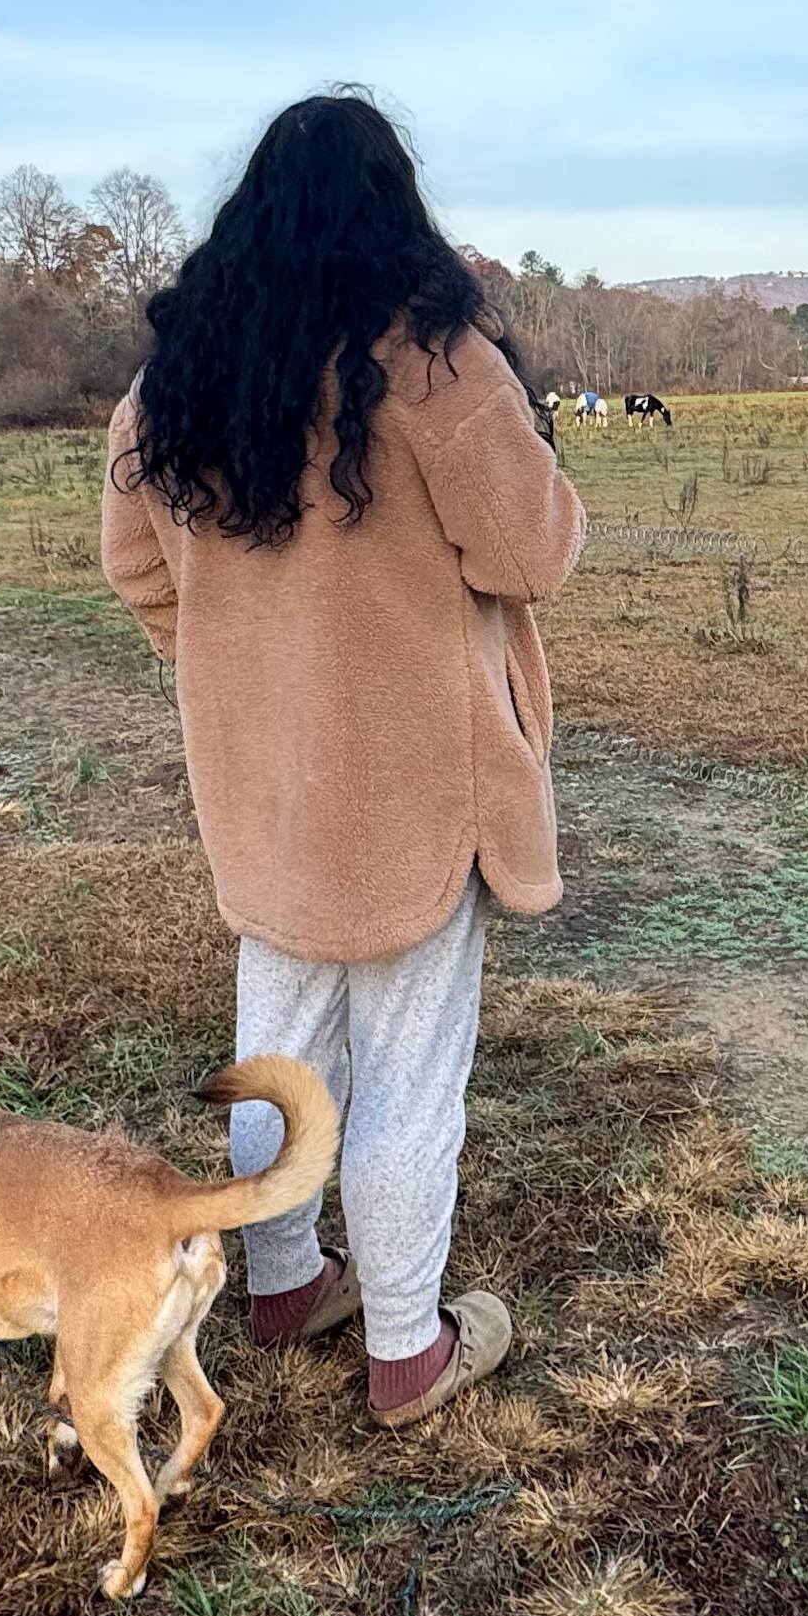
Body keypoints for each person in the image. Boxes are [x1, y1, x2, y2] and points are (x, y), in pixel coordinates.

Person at [99, 95, 586, 1429]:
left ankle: (277, 1283)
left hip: (262, 785)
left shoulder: (176, 378)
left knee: (281, 1050)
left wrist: (243, 678)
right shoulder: (433, 364)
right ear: (394, 208)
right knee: (410, 1075)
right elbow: (533, 553)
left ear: (250, 212)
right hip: (421, 786)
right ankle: (407, 1351)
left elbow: (138, 571)